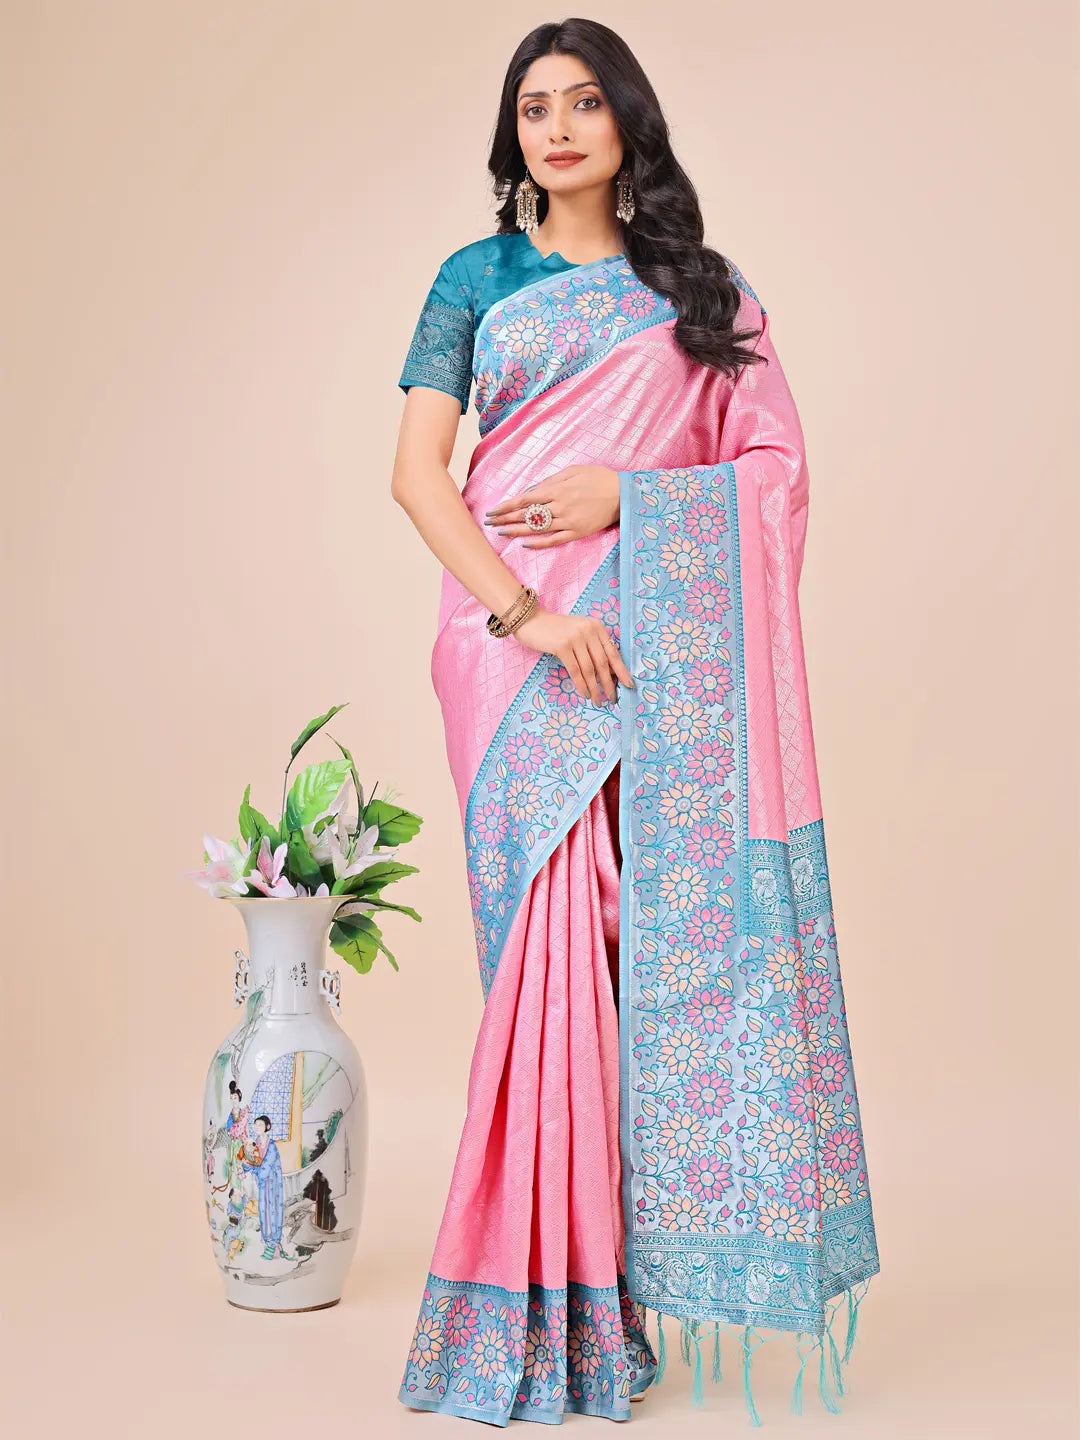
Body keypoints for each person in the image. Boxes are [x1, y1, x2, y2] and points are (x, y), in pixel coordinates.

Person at [391, 18, 880, 1427]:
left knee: (620, 963)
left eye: (584, 103)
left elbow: (775, 472)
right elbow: (419, 477)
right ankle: (532, 1309)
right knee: (539, 967)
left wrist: (635, 498)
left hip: (655, 652)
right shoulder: (475, 278)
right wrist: (527, 618)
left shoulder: (700, 292)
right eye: (533, 108)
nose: (557, 129)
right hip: (514, 654)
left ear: (628, 124)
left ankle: (601, 1300)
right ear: (513, 135)